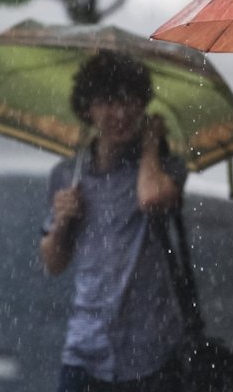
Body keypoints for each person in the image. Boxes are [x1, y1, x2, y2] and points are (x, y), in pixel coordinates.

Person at [40, 50, 188, 392]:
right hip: (85, 350)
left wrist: (151, 145)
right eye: (107, 102)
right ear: (88, 108)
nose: (120, 113)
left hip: (152, 353)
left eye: (129, 101)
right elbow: (53, 262)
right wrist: (62, 221)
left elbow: (151, 198)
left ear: (142, 104)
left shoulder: (166, 166)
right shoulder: (67, 175)